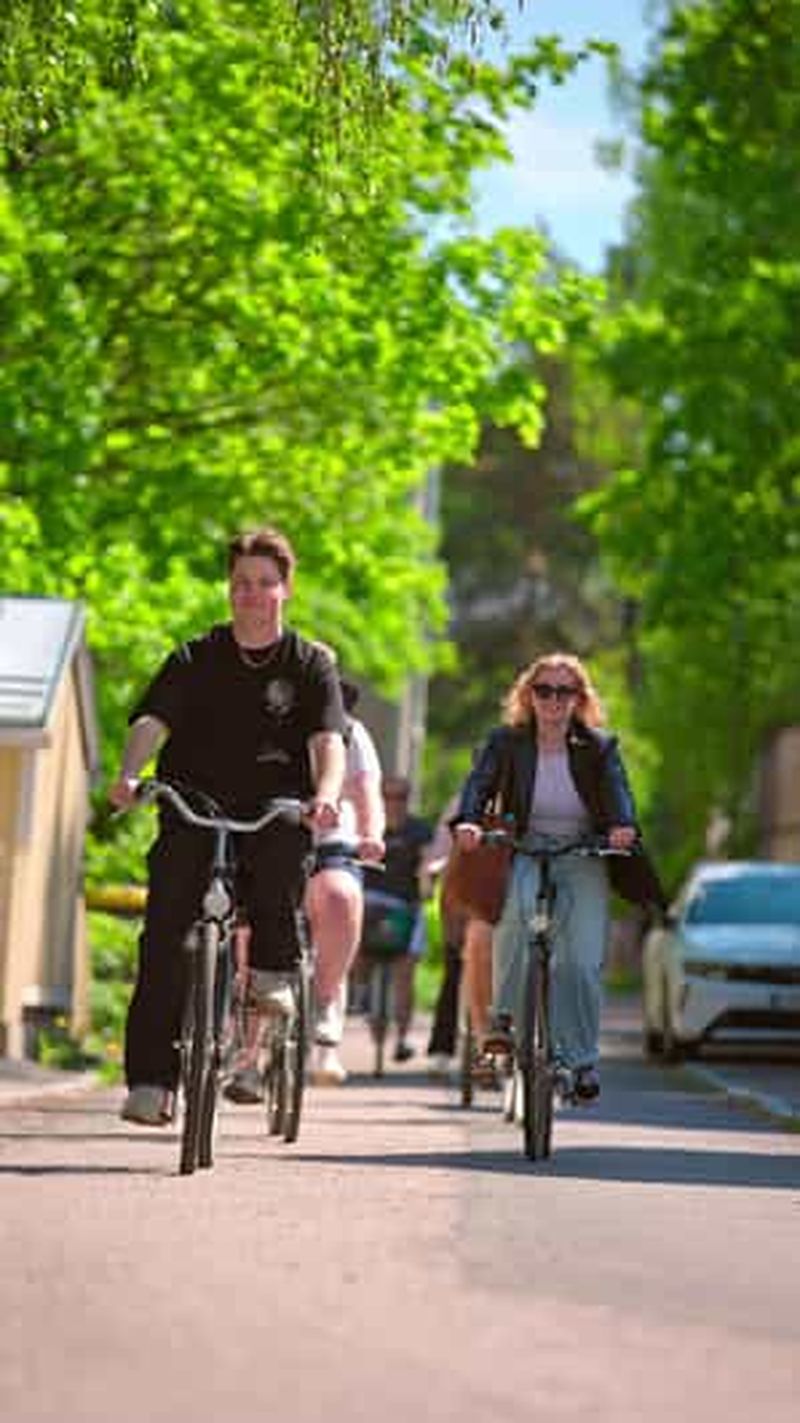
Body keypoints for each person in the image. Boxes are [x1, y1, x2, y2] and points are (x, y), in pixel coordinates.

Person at [109, 526, 346, 1126]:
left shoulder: (310, 663)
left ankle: (271, 971)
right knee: (163, 935)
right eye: (242, 583)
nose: (253, 594)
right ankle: (151, 1082)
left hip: (274, 807)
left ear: (285, 589)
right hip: (195, 803)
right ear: (229, 588)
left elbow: (327, 740)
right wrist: (131, 775)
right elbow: (151, 720)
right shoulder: (196, 655)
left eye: (266, 583)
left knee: (278, 870)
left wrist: (324, 795)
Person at [452, 652, 665, 1102]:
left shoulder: (599, 747)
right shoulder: (506, 742)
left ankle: (582, 1059)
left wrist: (622, 827)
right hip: (525, 848)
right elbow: (479, 785)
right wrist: (468, 821)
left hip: (582, 852)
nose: (552, 699)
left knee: (581, 961)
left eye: (563, 691)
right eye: (543, 690)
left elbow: (618, 793)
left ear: (578, 699)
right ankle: (504, 1024)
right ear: (528, 696)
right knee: (514, 917)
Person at [305, 654, 385, 1086]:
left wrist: (372, 833)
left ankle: (323, 1004)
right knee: (245, 928)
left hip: (331, 843)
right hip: (267, 834)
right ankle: (247, 1046)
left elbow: (365, 790)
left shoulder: (353, 732)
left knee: (339, 897)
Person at [361, 776, 433, 1062]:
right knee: (356, 955)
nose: (394, 802)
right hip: (368, 903)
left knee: (406, 972)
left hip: (406, 907)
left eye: (400, 796)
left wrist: (428, 876)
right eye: (388, 796)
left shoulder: (419, 831)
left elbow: (429, 862)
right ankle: (364, 998)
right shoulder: (368, 827)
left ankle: (402, 1037)